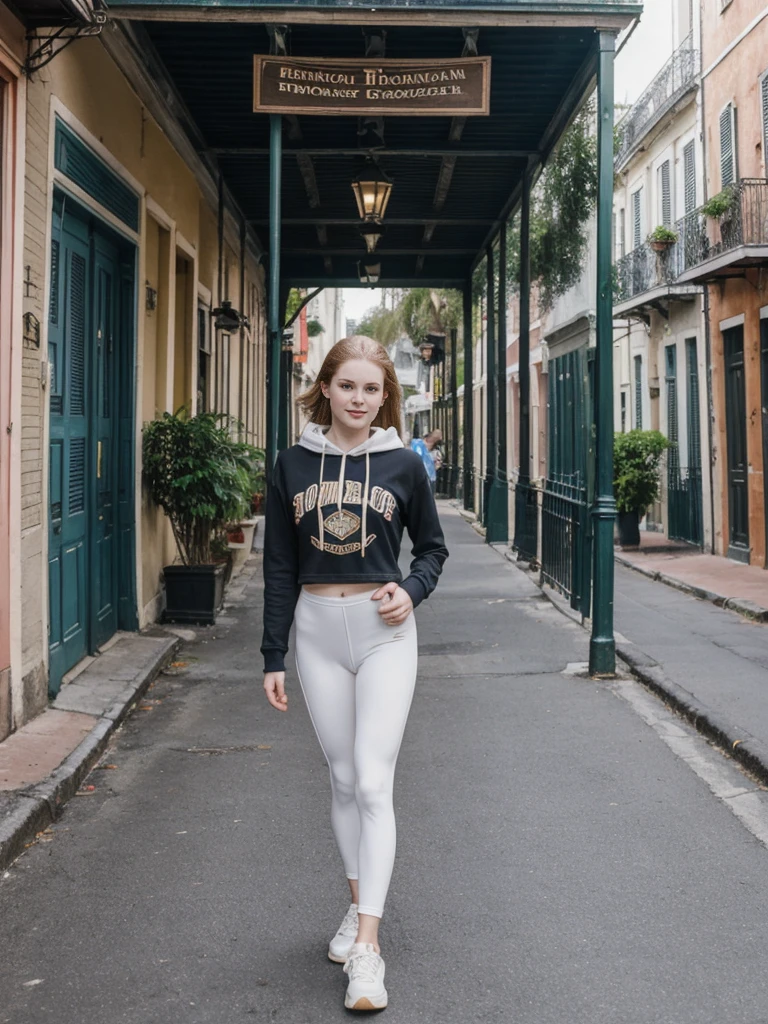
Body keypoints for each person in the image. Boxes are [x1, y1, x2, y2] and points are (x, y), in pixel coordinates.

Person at [261, 336, 448, 1012]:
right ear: (326, 388)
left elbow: (432, 549)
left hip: (383, 632)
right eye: (349, 387)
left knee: (373, 780)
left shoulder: (403, 464)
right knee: (341, 778)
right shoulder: (290, 464)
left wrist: (412, 591)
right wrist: (271, 653)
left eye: (373, 390)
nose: (360, 400)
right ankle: (356, 905)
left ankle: (367, 946)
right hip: (315, 630)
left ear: (385, 396)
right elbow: (279, 565)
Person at [410, 429, 443, 495]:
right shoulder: (418, 444)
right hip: (418, 476)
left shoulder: (436, 450)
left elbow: (438, 463)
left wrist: (436, 464)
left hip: (429, 477)